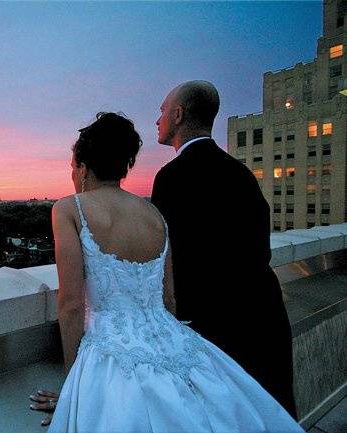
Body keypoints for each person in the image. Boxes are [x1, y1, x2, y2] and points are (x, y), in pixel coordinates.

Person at [32, 111, 303, 432]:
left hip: (109, 354)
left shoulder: (68, 208)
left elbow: (72, 304)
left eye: (72, 168)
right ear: (125, 164)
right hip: (176, 342)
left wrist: (73, 389)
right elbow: (169, 300)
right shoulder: (154, 215)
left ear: (81, 166)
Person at [151, 81, 297, 418]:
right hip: (263, 318)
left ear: (178, 114)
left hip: (215, 331)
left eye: (161, 111)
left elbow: (170, 260)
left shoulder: (171, 178)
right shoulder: (242, 174)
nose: (157, 120)